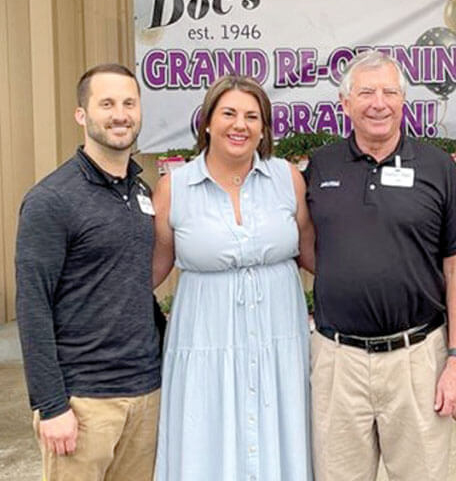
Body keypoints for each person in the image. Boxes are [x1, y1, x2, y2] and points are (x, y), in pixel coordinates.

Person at [304, 50, 456, 481]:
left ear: (404, 101)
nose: (378, 103)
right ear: (345, 104)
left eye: (388, 92)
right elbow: (308, 248)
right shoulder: (320, 166)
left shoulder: (438, 167)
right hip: (337, 360)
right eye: (365, 92)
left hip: (416, 357)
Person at [151, 74, 314, 480]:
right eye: (228, 113)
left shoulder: (287, 178)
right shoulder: (175, 187)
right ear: (207, 122)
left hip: (280, 341)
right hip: (206, 340)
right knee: (207, 443)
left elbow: (314, 254)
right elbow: (151, 269)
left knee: (281, 437)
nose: (240, 125)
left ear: (264, 129)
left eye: (252, 116)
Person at [15, 63, 162, 481]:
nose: (120, 114)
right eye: (107, 104)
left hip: (145, 394)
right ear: (82, 114)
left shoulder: (140, 191)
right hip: (84, 403)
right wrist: (51, 405)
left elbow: (134, 284)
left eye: (129, 103)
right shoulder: (51, 200)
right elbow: (33, 304)